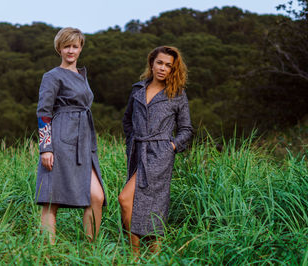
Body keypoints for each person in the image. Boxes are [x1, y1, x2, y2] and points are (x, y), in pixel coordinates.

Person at [119, 46, 193, 255]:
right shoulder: (137, 90)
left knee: (140, 202)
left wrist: (171, 147)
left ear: (173, 70)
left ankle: (144, 256)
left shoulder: (177, 94)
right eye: (159, 63)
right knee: (136, 201)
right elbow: (127, 120)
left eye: (168, 65)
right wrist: (130, 143)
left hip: (161, 153)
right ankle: (142, 256)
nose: (163, 68)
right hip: (137, 150)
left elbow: (186, 129)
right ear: (151, 63)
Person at [35, 27, 106, 244]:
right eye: (66, 46)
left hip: (83, 141)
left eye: (75, 46)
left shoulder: (82, 75)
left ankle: (89, 251)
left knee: (96, 196)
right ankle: (47, 254)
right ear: (59, 48)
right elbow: (43, 113)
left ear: (81, 48)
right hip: (61, 138)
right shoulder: (52, 76)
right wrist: (46, 148)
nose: (71, 50)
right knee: (51, 200)